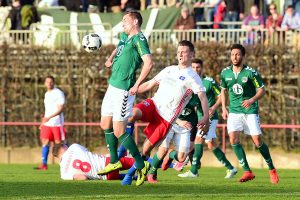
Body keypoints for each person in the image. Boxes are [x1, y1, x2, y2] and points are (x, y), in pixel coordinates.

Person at [121, 40, 210, 185]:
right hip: (154, 104)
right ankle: (121, 152)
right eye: (178, 51)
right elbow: (150, 84)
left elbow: (202, 97)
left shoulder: (193, 77)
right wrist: (134, 88)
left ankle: (131, 174)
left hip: (167, 118)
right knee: (131, 115)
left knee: (146, 149)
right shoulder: (169, 69)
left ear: (192, 54)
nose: (180, 54)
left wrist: (205, 117)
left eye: (184, 51)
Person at [98, 10, 153, 186]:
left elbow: (149, 62)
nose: (123, 24)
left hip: (123, 90)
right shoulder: (125, 36)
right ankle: (114, 161)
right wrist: (110, 58)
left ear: (135, 21)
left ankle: (140, 164)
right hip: (112, 85)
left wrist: (137, 84)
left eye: (125, 21)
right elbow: (118, 48)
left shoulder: (139, 39)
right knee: (105, 124)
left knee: (119, 131)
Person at [220, 44, 279, 184]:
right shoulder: (225, 73)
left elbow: (262, 90)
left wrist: (252, 100)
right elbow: (223, 90)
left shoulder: (251, 72)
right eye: (233, 54)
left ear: (243, 56)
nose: (235, 57)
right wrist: (223, 108)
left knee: (257, 141)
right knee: (233, 139)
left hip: (250, 110)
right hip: (234, 111)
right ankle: (247, 171)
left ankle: (271, 169)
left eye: (238, 54)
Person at [178, 58, 237, 178]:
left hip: (209, 116)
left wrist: (214, 108)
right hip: (198, 117)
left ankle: (194, 171)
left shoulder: (208, 81)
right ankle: (231, 168)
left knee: (198, 139)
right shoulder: (190, 81)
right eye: (193, 67)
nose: (195, 70)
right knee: (211, 144)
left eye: (198, 67)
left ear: (202, 68)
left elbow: (221, 95)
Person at [53, 143, 135, 180]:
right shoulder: (73, 147)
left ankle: (141, 177)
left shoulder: (63, 174)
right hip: (107, 162)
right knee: (136, 161)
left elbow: (83, 178)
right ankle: (146, 161)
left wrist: (92, 175)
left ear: (57, 156)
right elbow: (88, 153)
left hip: (106, 177)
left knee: (117, 177)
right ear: (63, 146)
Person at [35, 75, 67, 170]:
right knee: (45, 142)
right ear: (45, 83)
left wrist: (49, 117)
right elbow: (48, 110)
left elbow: (60, 109)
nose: (49, 83)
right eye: (47, 82)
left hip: (57, 123)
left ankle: (66, 163)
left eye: (51, 82)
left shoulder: (58, 93)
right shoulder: (46, 94)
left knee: (59, 144)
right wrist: (43, 121)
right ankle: (44, 164)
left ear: (54, 82)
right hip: (47, 124)